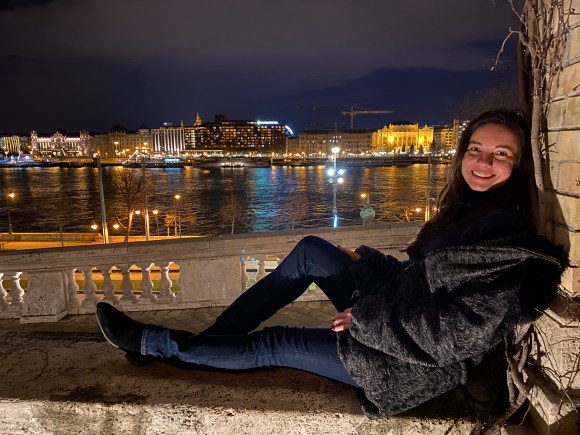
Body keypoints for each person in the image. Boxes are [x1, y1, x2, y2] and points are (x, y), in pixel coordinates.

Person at [96, 109, 567, 418]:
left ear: (518, 166)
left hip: (408, 362)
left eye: (500, 154)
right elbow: (418, 281)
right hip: (398, 317)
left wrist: (364, 319)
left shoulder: (500, 236)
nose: (483, 162)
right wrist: (364, 258)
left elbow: (454, 338)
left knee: (275, 342)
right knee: (312, 250)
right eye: (476, 149)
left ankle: (155, 344)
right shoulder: (468, 213)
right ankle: (211, 344)